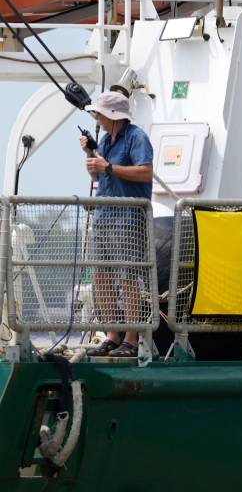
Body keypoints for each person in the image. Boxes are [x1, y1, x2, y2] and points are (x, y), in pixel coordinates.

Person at [79, 90, 154, 358]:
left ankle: (131, 339)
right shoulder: (106, 140)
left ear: (112, 116)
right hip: (104, 216)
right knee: (101, 276)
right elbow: (95, 171)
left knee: (128, 278)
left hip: (128, 217)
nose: (95, 117)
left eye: (98, 112)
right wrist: (90, 151)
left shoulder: (137, 137)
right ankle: (112, 336)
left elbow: (145, 171)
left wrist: (108, 167)